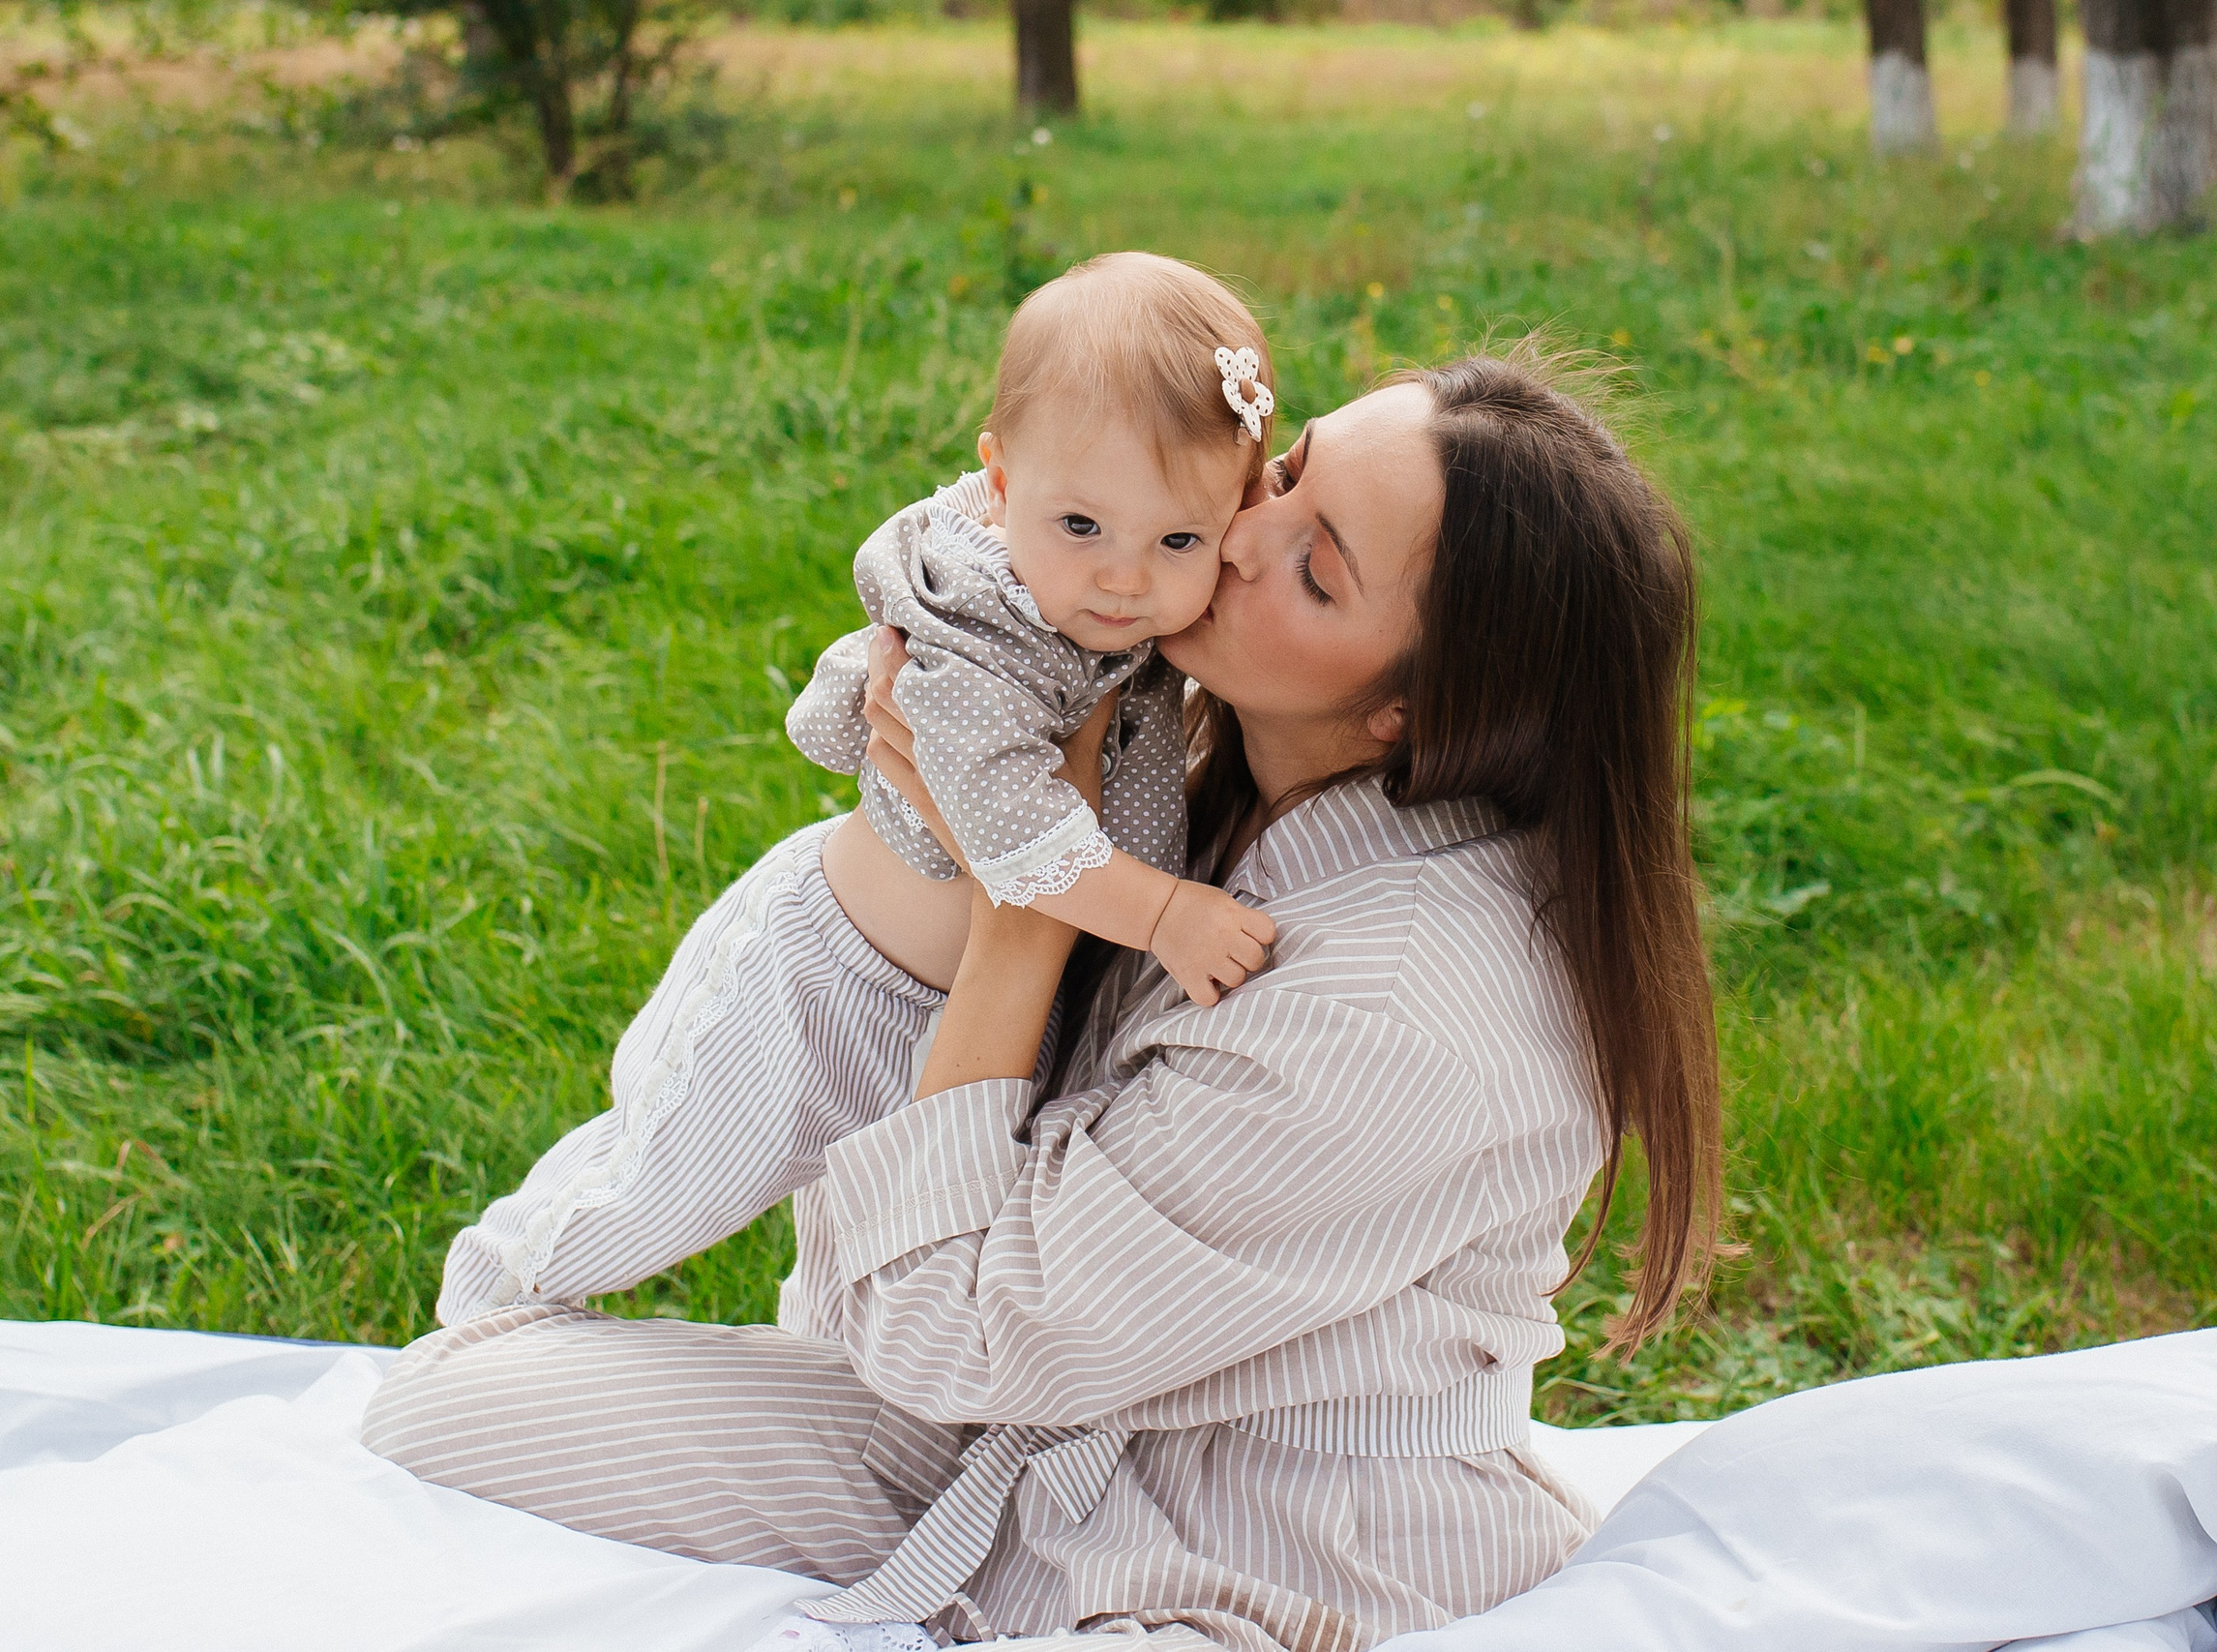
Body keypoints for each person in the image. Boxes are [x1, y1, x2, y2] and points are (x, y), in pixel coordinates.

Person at [360, 347, 1721, 1652]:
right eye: (1286, 469)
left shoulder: (1398, 1009)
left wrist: (1026, 909)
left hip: (1273, 1528)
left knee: (479, 1411)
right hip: (1040, 1409)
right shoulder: (1204, 752)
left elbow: (950, 1333)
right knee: (456, 1403)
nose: (1237, 535)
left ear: (1412, 712)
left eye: (1313, 567)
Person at [789, 251, 1277, 1008]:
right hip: (853, 990)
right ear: (1004, 485)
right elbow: (1011, 816)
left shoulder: (1080, 598)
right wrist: (1163, 914)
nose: (1125, 579)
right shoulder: (983, 629)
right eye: (1082, 525)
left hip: (958, 990)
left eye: (1179, 540)